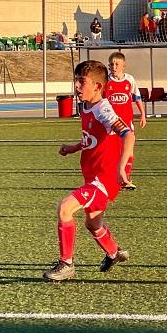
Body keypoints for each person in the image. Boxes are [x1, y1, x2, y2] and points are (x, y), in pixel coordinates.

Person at [42, 60, 135, 282]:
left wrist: (122, 168)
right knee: (92, 223)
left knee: (65, 208)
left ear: (97, 86)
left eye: (81, 81)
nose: (76, 86)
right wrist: (73, 148)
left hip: (103, 180)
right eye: (76, 80)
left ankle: (66, 264)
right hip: (93, 176)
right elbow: (91, 139)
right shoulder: (86, 107)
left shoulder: (103, 109)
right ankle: (114, 253)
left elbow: (128, 134)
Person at [106, 52, 147, 191]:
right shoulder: (106, 81)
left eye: (117, 64)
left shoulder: (129, 79)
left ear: (124, 65)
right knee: (112, 152)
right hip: (111, 124)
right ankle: (111, 178)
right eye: (111, 64)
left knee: (128, 151)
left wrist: (142, 114)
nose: (114, 66)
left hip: (127, 122)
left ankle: (126, 178)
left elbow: (137, 97)